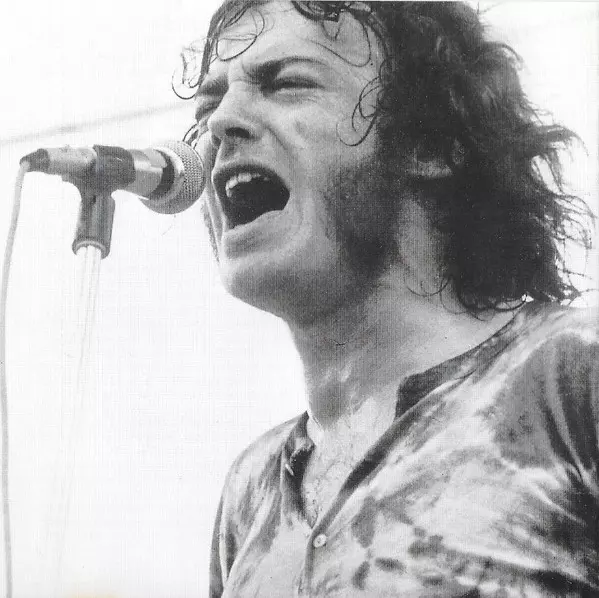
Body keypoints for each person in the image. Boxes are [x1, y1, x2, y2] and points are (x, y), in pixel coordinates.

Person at [176, 1, 598, 596]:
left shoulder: (572, 372)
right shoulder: (250, 488)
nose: (221, 122)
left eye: (288, 83)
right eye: (207, 107)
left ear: (429, 142)